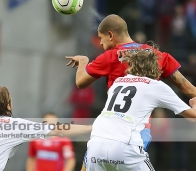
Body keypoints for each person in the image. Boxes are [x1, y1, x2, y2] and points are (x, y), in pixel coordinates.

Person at [66, 14, 196, 170]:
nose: (100, 42)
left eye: (101, 38)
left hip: (103, 133)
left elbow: (81, 82)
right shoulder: (158, 56)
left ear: (110, 35)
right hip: (134, 135)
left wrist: (83, 62)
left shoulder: (110, 60)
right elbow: (188, 89)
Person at [87, 48, 196, 171]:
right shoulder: (156, 86)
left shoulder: (117, 82)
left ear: (131, 65)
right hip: (125, 146)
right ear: (156, 68)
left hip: (95, 145)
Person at [0, 87, 92, 171]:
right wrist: (93, 127)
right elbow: (59, 130)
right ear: (8, 106)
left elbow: (70, 160)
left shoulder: (63, 142)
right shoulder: (15, 125)